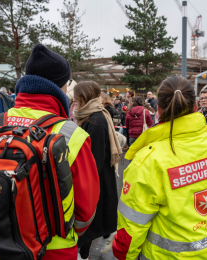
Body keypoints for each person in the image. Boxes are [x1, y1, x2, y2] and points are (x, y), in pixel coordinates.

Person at [113, 76, 207, 260]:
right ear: (194, 107)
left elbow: (132, 226)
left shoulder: (148, 160)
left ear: (158, 109)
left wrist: (123, 255)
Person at [0, 44, 100, 259]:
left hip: (0, 243)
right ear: (61, 86)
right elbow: (86, 207)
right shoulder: (72, 134)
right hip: (53, 248)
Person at [72, 81, 122, 260]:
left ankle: (83, 255)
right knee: (98, 218)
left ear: (84, 97)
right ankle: (105, 235)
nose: (74, 102)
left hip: (97, 179)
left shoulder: (94, 120)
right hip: (102, 177)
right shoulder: (96, 114)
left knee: (89, 219)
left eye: (76, 98)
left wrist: (85, 182)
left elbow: (95, 157)